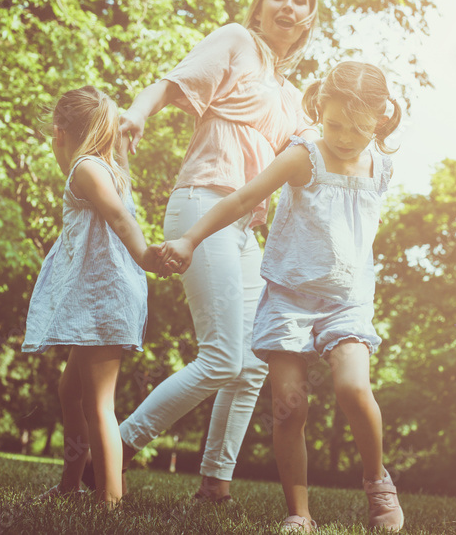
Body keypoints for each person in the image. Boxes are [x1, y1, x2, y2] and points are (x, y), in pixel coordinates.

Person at [160, 61, 406, 532]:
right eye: (334, 124)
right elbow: (238, 199)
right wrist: (190, 239)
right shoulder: (304, 155)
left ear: (380, 118)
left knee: (353, 388)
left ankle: (378, 484)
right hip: (290, 298)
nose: (345, 137)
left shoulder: (381, 167)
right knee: (290, 406)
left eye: (358, 128)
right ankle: (300, 512)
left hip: (347, 299)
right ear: (319, 108)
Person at [112, 0, 319, 502]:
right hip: (201, 206)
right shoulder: (235, 40)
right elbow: (169, 83)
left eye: (300, 1)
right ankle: (113, 449)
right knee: (222, 357)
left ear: (307, 21)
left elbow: (319, 157)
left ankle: (214, 485)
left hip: (244, 231)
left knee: (253, 364)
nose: (288, 6)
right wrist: (136, 114)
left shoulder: (292, 97)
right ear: (260, 5)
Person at [22, 85, 161, 507]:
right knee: (70, 393)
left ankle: (110, 502)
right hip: (99, 298)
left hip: (104, 299)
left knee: (100, 402)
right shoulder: (102, 165)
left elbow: (119, 217)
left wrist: (144, 254)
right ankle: (71, 484)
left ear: (58, 133)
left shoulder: (86, 168)